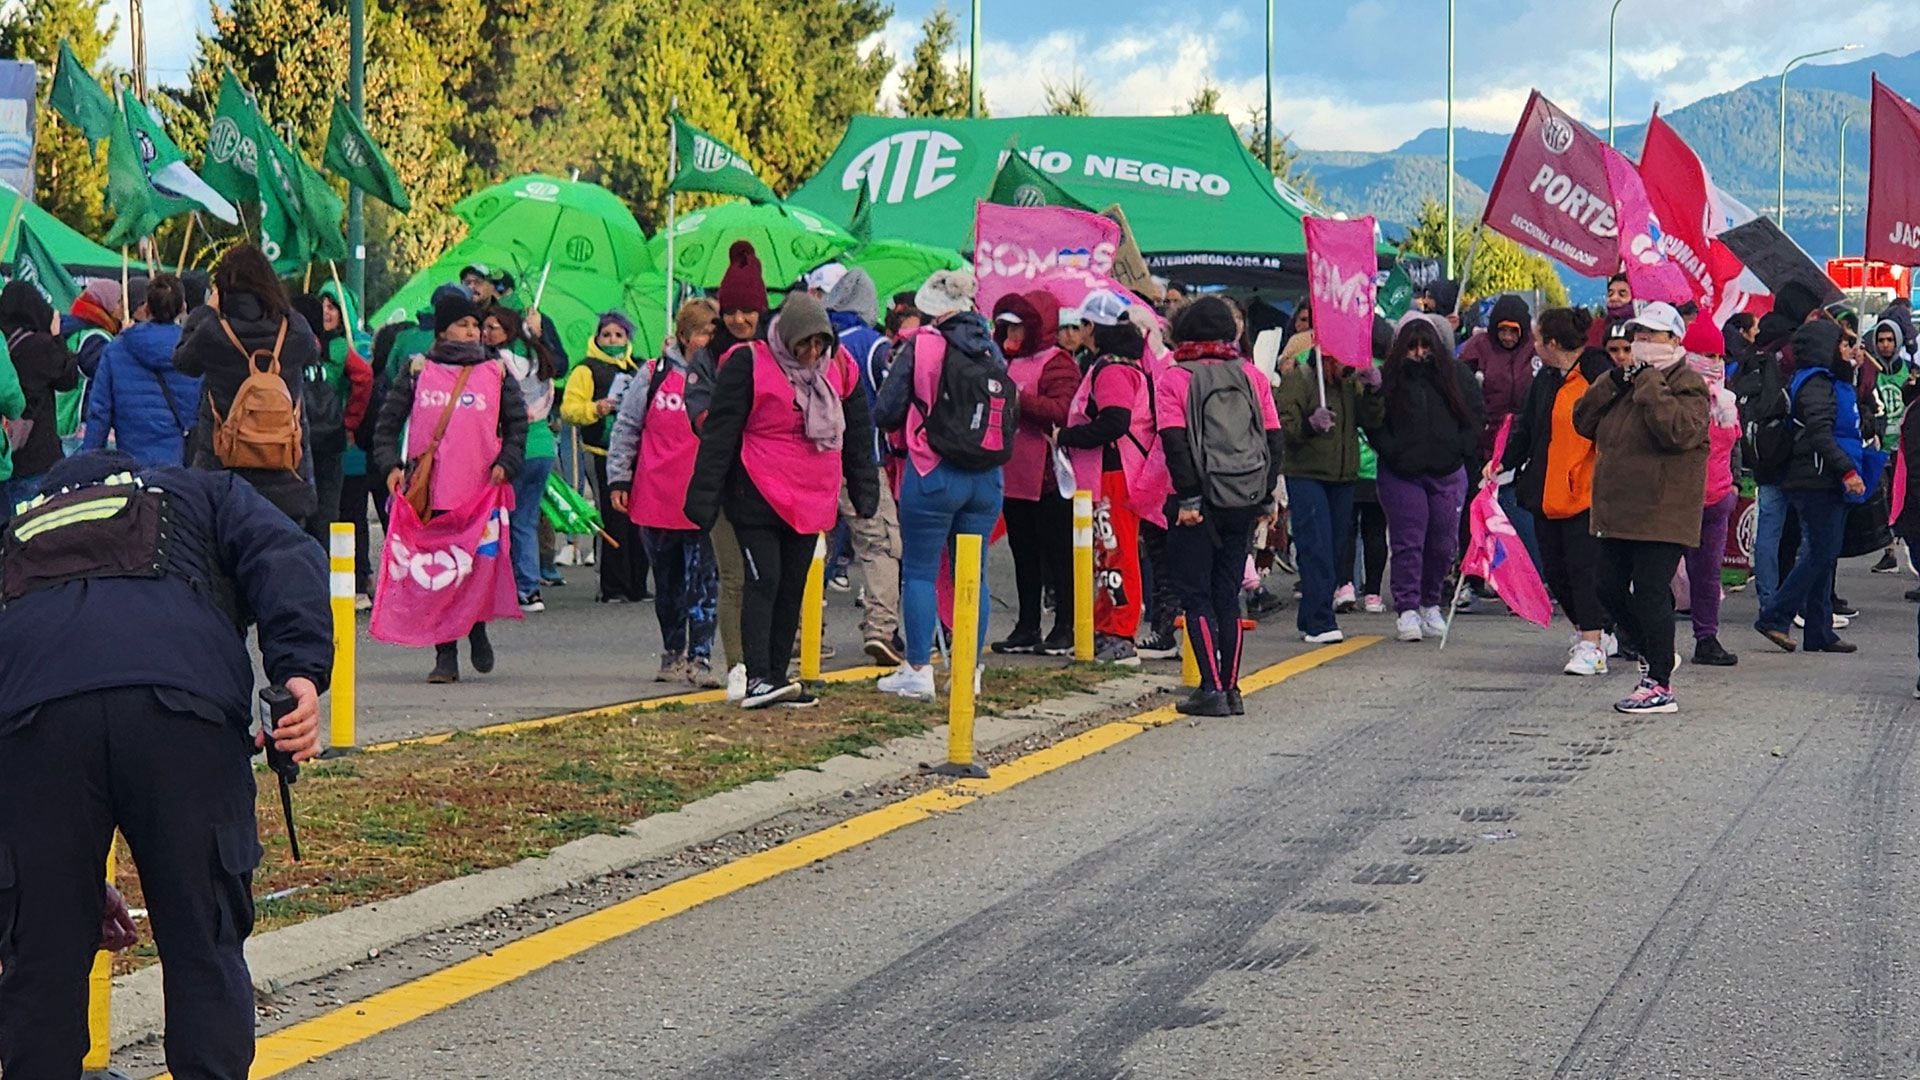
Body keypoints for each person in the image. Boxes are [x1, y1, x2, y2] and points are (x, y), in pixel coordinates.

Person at [0, 447, 330, 1080]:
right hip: (184, 712)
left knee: (40, 956)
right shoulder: (201, 492)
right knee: (202, 939)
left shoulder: (17, 525)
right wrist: (299, 672)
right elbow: (286, 556)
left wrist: (60, 884)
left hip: (33, 725)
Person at [685, 293, 879, 708]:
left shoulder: (841, 368)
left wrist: (865, 491)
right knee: (764, 579)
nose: (811, 354)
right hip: (757, 490)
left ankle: (776, 675)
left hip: (812, 494)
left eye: (819, 345)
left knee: (793, 585)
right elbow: (721, 432)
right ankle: (757, 675)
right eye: (803, 344)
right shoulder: (749, 363)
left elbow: (860, 434)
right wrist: (703, 497)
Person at [374, 291, 529, 683]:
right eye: (464, 325)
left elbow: (516, 426)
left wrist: (506, 463)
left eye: (477, 325)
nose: (474, 332)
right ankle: (445, 657)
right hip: (431, 494)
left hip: (479, 495)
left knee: (475, 570)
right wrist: (390, 466)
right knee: (439, 575)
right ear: (443, 329)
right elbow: (387, 424)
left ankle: (476, 629)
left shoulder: (496, 371)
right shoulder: (417, 369)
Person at [870, 270, 1009, 699]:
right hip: (986, 475)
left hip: (932, 471)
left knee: (919, 572)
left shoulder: (923, 344)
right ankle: (970, 670)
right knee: (975, 575)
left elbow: (887, 410)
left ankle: (917, 669)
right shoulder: (992, 349)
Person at [1573, 301, 1710, 714]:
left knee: (1651, 592)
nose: (1642, 343)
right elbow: (1583, 421)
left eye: (1652, 335)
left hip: (1662, 510)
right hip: (1619, 511)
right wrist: (1612, 381)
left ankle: (1659, 683)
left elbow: (1677, 431)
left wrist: (1650, 383)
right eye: (1638, 336)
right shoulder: (1625, 382)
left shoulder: (1689, 383)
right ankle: (1656, 651)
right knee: (1607, 588)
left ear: (1674, 340)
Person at [1158, 297, 1286, 714]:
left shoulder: (1174, 378)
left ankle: (1209, 687)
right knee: (1228, 593)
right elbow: (1274, 440)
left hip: (1197, 499)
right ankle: (1231, 688)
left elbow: (1175, 443)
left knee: (1195, 595)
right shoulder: (1252, 376)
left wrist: (1189, 498)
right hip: (1244, 497)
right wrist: (1264, 495)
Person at [608, 300, 724, 688]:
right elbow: (627, 426)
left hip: (703, 499)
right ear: (686, 336)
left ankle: (701, 657)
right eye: (704, 332)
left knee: (704, 583)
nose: (709, 340)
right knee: (669, 585)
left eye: (714, 332)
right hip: (656, 495)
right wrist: (619, 479)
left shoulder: (724, 375)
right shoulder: (653, 374)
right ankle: (673, 650)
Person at [1498, 306, 1612, 676]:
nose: (1533, 345)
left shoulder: (1598, 375)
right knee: (1556, 571)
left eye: (1536, 338)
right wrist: (1503, 461)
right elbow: (1527, 426)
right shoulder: (1546, 379)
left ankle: (1592, 644)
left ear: (1551, 342)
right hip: (1546, 490)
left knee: (1584, 570)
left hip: (1588, 491)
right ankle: (1589, 631)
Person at [174, 243, 320, 529]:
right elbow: (312, 354)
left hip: (224, 474)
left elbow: (183, 362)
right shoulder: (295, 328)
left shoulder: (214, 332)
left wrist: (205, 312)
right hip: (286, 476)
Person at [1056, 288, 1161, 667]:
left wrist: (1065, 436)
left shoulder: (1113, 368)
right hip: (1106, 472)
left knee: (1117, 553)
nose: (1075, 332)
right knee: (1104, 554)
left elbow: (1114, 422)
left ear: (1092, 328)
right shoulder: (1116, 364)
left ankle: (1120, 634)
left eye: (1080, 325)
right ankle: (1106, 629)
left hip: (1114, 472)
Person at [1365, 314, 1484, 643]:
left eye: (1425, 346)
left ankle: (1431, 601)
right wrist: (1392, 451)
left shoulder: (1456, 375)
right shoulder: (1389, 379)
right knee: (1408, 542)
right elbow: (1373, 422)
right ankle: (1407, 607)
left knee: (1443, 543)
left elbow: (1475, 416)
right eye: (1412, 347)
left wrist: (1460, 449)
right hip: (1402, 472)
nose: (1419, 353)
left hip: (1446, 471)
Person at [688, 241, 771, 700]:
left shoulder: (780, 349)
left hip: (773, 480)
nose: (740, 320)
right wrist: (726, 429)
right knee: (734, 576)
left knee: (772, 576)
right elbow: (698, 413)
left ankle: (770, 662)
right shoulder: (706, 356)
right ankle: (738, 665)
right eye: (732, 311)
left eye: (749, 310)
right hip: (723, 477)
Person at [1754, 320, 1867, 656]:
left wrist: (1851, 369)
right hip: (1818, 478)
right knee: (1821, 552)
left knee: (1824, 556)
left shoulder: (1825, 379)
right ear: (1827, 347)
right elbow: (1820, 432)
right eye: (1844, 344)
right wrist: (1846, 469)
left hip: (1822, 476)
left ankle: (1820, 631)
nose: (1849, 350)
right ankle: (1775, 615)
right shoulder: (1816, 384)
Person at [1275, 309, 1385, 645]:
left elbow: (1372, 422)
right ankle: (1320, 620)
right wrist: (1309, 424)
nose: (1346, 367)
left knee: (1335, 548)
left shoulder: (1350, 385)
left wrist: (1375, 392)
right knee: (1316, 546)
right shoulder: (1300, 380)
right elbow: (1283, 427)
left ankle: (1311, 615)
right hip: (1308, 474)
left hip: (1343, 476)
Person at [990, 290, 1079, 657]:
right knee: (1022, 553)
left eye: (1018, 328)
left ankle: (1065, 625)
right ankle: (1027, 624)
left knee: (1058, 554)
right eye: (1005, 328)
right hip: (1012, 473)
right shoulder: (1002, 361)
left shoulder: (1059, 363)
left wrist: (1017, 396)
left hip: (1047, 476)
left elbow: (1062, 411)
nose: (1011, 335)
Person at [826, 268, 906, 665]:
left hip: (815, 463)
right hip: (864, 462)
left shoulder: (811, 344)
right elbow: (892, 402)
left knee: (812, 548)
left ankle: (805, 633)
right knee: (880, 546)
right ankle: (881, 629)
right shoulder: (874, 347)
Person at [560, 311, 652, 603]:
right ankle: (613, 585)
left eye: (619, 335)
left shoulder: (640, 367)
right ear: (597, 338)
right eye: (607, 335)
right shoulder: (586, 370)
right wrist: (593, 409)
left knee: (639, 520)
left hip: (636, 454)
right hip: (600, 451)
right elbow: (569, 409)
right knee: (612, 518)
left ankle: (638, 583)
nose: (612, 340)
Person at [1458, 293, 1543, 601]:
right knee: (1475, 513)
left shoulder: (1535, 352)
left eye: (1514, 331)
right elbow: (1460, 387)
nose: (1507, 337)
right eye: (1502, 330)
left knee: (1516, 514)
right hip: (1481, 442)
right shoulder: (1476, 348)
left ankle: (1524, 580)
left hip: (1521, 444)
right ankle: (1470, 577)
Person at [485, 307, 562, 613]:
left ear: (509, 330)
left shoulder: (498, 362)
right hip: (544, 446)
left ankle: (515, 586)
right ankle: (529, 589)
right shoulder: (537, 358)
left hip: (516, 447)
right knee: (526, 520)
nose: (486, 332)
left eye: (494, 327)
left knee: (510, 521)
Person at [1675, 319, 1741, 666]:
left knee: (1707, 576)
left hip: (1716, 499)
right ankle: (1636, 635)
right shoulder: (1674, 394)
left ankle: (1706, 637)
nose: (1713, 363)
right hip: (1676, 501)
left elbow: (1735, 446)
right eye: (1704, 354)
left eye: (1717, 355)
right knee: (1657, 575)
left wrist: (1734, 487)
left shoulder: (1726, 400)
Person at [81, 273, 196, 467]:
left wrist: (88, 465)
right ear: (183, 308)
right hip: (182, 466)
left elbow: (99, 414)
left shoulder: (116, 350)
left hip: (131, 464)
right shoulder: (195, 351)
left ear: (146, 307)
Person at [0, 282, 80, 518]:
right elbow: (68, 379)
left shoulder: (5, 340)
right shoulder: (39, 346)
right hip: (36, 454)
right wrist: (57, 337)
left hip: (6, 452)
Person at [1866, 315, 1912, 574]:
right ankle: (1889, 550)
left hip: (1905, 447)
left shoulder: (1908, 370)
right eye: (1881, 340)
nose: (1885, 345)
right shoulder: (1871, 371)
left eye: (1890, 340)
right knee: (1883, 498)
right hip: (1881, 445)